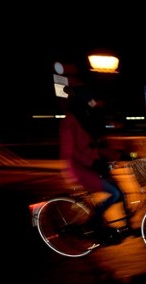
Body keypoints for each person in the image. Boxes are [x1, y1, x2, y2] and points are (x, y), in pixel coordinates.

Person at [59, 85, 126, 240]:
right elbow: (72, 153)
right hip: (79, 169)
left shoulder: (86, 121)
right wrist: (93, 163)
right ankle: (92, 223)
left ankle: (122, 226)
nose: (93, 105)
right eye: (90, 102)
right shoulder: (70, 121)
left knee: (120, 192)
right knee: (115, 193)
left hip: (93, 167)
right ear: (81, 102)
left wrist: (122, 155)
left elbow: (97, 149)